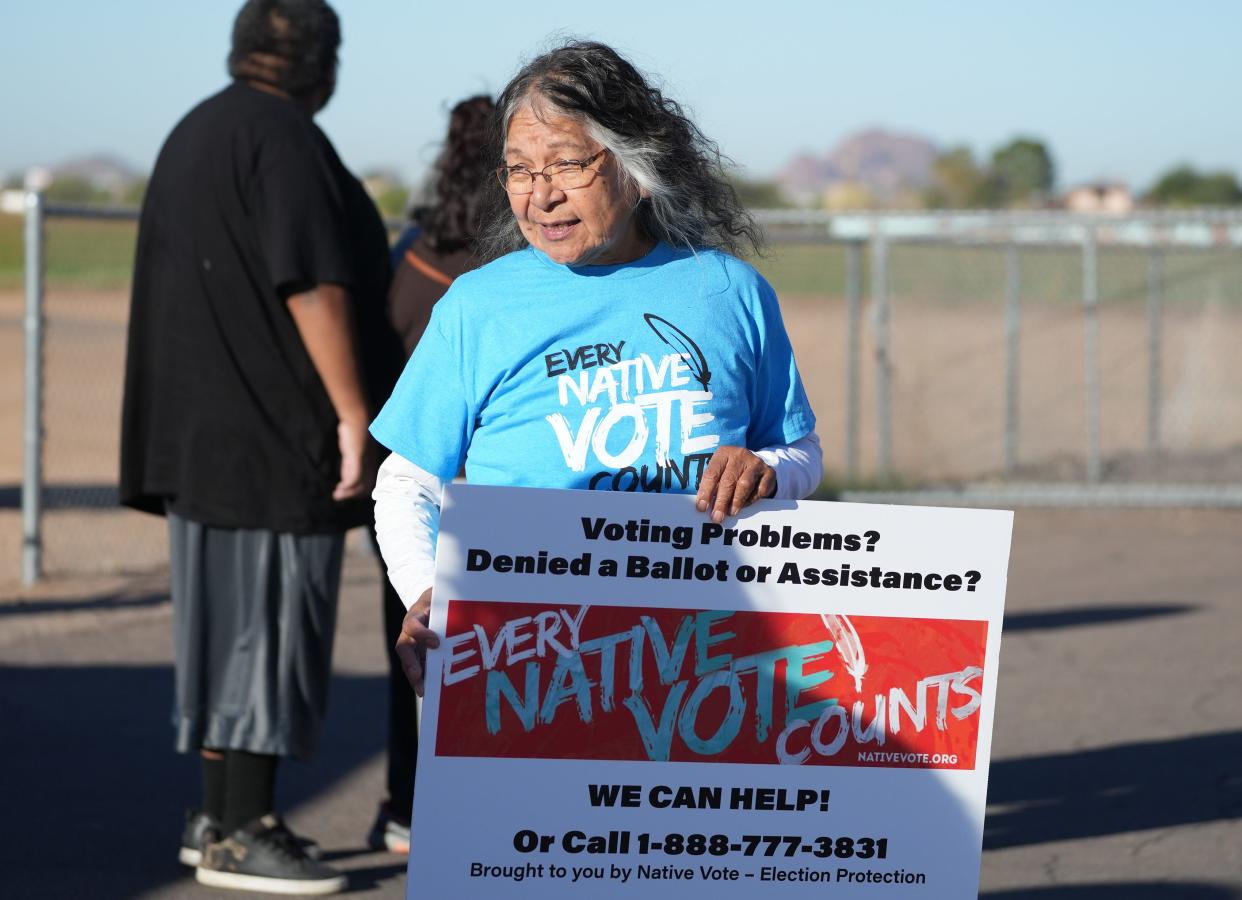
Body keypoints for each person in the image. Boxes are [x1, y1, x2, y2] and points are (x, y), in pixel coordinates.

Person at [367, 41, 824, 700]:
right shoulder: (477, 306)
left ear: (637, 169)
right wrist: (427, 594)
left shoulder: (730, 291)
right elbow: (407, 481)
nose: (540, 196)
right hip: (529, 670)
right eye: (519, 170)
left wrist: (770, 470)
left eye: (566, 164)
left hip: (705, 662)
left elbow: (802, 449)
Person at [119, 0, 402, 893]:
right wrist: (354, 413)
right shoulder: (284, 143)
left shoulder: (194, 134)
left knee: (219, 636)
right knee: (270, 636)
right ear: (321, 63)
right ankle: (247, 828)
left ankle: (217, 817)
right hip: (274, 442)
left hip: (200, 443)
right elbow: (311, 281)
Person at [366, 94, 495, 854]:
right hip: (478, 490)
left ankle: (404, 807)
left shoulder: (411, 248)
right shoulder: (511, 273)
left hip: (404, 470)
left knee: (411, 654)